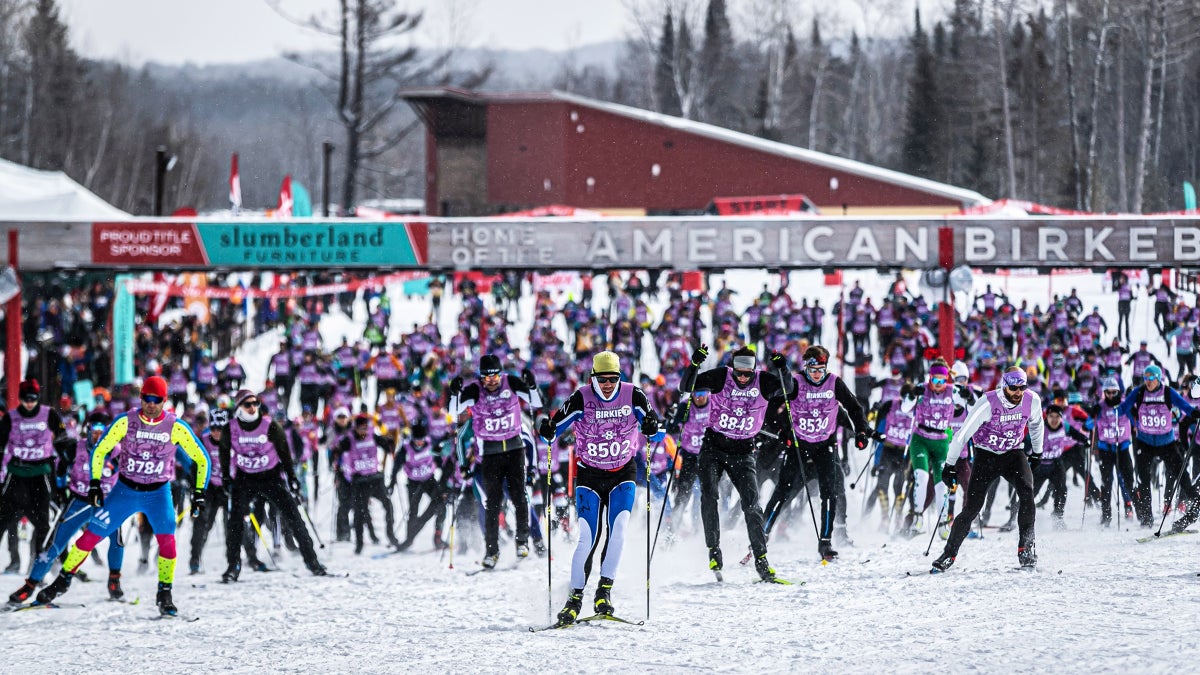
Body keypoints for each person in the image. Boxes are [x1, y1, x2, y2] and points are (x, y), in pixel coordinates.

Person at [33, 376, 210, 616]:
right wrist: (95, 484)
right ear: (141, 398)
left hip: (158, 493)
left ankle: (165, 593)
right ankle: (62, 581)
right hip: (125, 491)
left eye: (156, 400)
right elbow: (101, 449)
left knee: (168, 543)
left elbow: (202, 459)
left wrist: (200, 492)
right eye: (147, 398)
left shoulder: (175, 426)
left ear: (164, 400)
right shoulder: (127, 421)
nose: (151, 404)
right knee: (88, 538)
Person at [539, 351, 663, 625]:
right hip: (590, 475)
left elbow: (654, 429)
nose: (608, 384)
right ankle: (574, 598)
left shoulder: (634, 395)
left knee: (618, 529)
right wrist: (547, 429)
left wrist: (653, 427)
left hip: (623, 472)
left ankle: (604, 592)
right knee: (587, 537)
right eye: (602, 379)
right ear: (593, 377)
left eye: (613, 379)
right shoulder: (581, 397)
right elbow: (555, 426)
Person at [680, 344, 790, 579]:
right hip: (714, 447)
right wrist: (695, 364)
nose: (742, 378)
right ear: (732, 368)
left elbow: (789, 390)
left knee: (751, 504)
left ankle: (761, 558)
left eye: (746, 374)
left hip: (743, 450)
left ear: (754, 370)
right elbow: (686, 386)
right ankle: (714, 550)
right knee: (710, 496)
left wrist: (783, 368)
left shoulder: (764, 381)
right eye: (739, 372)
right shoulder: (722, 376)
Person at [761, 345, 869, 561]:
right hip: (799, 445)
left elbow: (854, 407)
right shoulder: (796, 382)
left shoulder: (834, 382)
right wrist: (782, 431)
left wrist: (861, 431)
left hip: (825, 445)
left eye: (821, 368)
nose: (817, 374)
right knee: (783, 490)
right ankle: (762, 533)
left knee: (829, 492)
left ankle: (825, 541)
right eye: (812, 369)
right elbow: (771, 406)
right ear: (805, 367)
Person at [931, 368, 1043, 572]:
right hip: (986, 456)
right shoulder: (988, 403)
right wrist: (949, 466)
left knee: (1027, 493)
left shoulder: (1032, 400)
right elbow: (962, 435)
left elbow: (1036, 425)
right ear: (1004, 385)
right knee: (972, 507)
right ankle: (948, 555)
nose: (1018, 392)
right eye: (1013, 388)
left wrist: (1037, 451)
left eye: (1022, 388)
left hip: (1013, 453)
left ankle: (1026, 549)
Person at [7, 412, 124, 607]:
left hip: (106, 503)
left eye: (102, 432)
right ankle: (30, 585)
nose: (98, 436)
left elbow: (129, 476)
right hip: (79, 500)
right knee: (55, 543)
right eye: (94, 431)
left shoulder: (117, 452)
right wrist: (60, 492)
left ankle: (114, 580)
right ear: (87, 430)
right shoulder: (74, 449)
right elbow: (59, 471)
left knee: (117, 539)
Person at [220, 389, 327, 582]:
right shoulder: (231, 428)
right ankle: (233, 566)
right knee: (235, 521)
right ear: (239, 408)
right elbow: (224, 453)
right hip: (245, 478)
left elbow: (284, 452)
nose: (253, 408)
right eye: (247, 404)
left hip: (270, 476)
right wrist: (227, 478)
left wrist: (292, 478)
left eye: (255, 403)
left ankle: (312, 562)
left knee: (294, 517)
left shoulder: (270, 425)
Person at [448, 354, 543, 569]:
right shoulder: (475, 389)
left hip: (514, 448)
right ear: (481, 377)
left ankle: (522, 541)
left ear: (501, 374)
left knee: (520, 497)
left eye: (495, 376)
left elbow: (536, 402)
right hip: (490, 452)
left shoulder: (511, 382)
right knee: (492, 504)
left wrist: (532, 385)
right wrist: (454, 393)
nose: (491, 381)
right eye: (486, 377)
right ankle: (492, 551)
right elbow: (454, 410)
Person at [0, 379, 73, 580]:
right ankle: (15, 561)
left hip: (41, 474)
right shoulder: (11, 418)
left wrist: (66, 461)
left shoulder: (49, 414)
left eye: (33, 398)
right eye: (25, 399)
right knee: (4, 519)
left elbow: (62, 439)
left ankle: (39, 566)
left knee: (43, 523)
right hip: (17, 473)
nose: (29, 403)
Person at [1117, 364, 1199, 526]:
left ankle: (1195, 505)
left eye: (1151, 378)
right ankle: (1147, 518)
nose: (1147, 381)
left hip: (1166, 443)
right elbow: (1122, 408)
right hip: (1145, 442)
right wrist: (1124, 412)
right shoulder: (1139, 392)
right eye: (1145, 378)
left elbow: (1185, 407)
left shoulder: (1168, 392)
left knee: (1182, 475)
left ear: (1158, 378)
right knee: (1143, 480)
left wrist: (1195, 413)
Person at [897, 359, 956, 537]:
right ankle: (917, 516)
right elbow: (905, 407)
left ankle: (943, 523)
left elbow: (973, 400)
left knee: (941, 484)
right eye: (935, 380)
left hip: (941, 440)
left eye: (942, 381)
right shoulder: (922, 389)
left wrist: (969, 397)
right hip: (920, 438)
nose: (938, 385)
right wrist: (913, 394)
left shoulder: (953, 392)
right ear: (929, 378)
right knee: (921, 477)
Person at [332, 413, 399, 554]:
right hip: (359, 481)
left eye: (365, 428)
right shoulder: (349, 440)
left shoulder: (372, 435)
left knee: (388, 505)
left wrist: (390, 443)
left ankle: (391, 535)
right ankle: (359, 543)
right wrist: (338, 468)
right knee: (359, 512)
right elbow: (337, 454)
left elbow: (387, 446)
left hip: (374, 478)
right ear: (355, 428)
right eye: (360, 428)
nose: (363, 431)